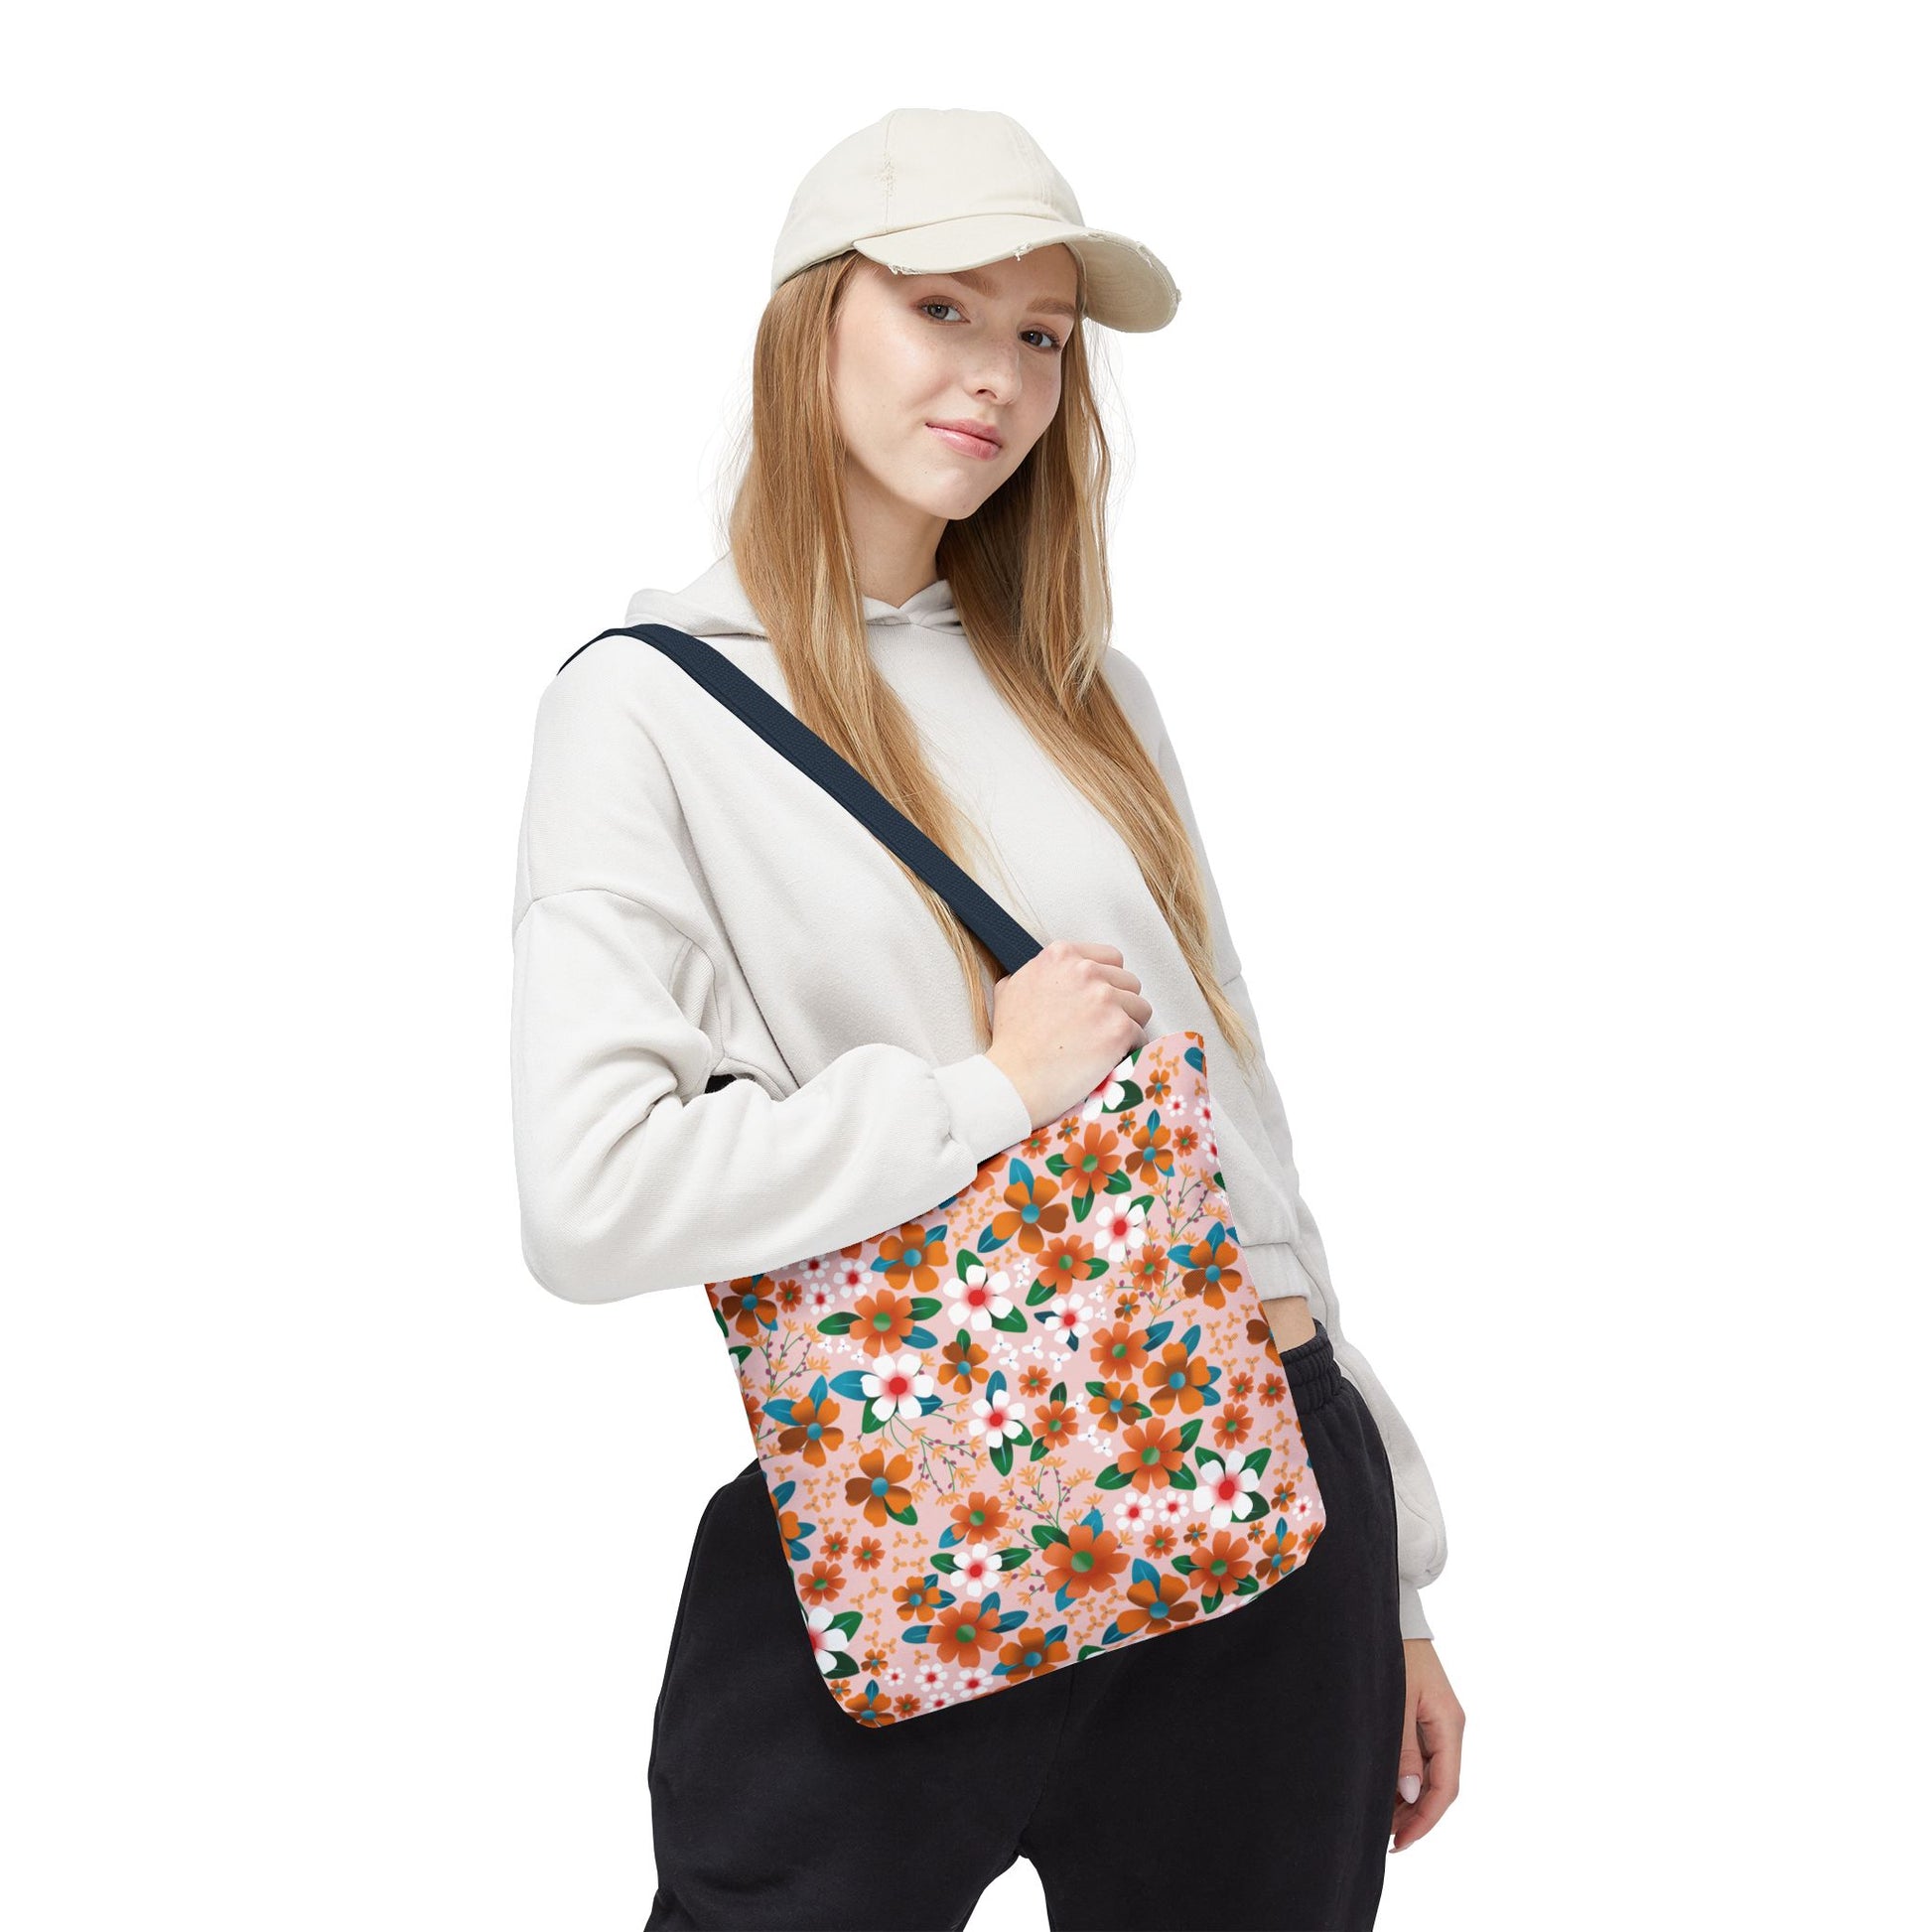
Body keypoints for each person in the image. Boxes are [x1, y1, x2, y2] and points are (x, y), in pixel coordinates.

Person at [510, 106, 1463, 1932]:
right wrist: (987, 1091)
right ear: (814, 322)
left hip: (1267, 1495)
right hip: (914, 1503)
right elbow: (590, 1194)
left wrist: (1398, 1573)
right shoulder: (653, 711)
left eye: (1039, 336)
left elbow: (1234, 1137)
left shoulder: (1088, 689)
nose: (1000, 377)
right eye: (943, 306)